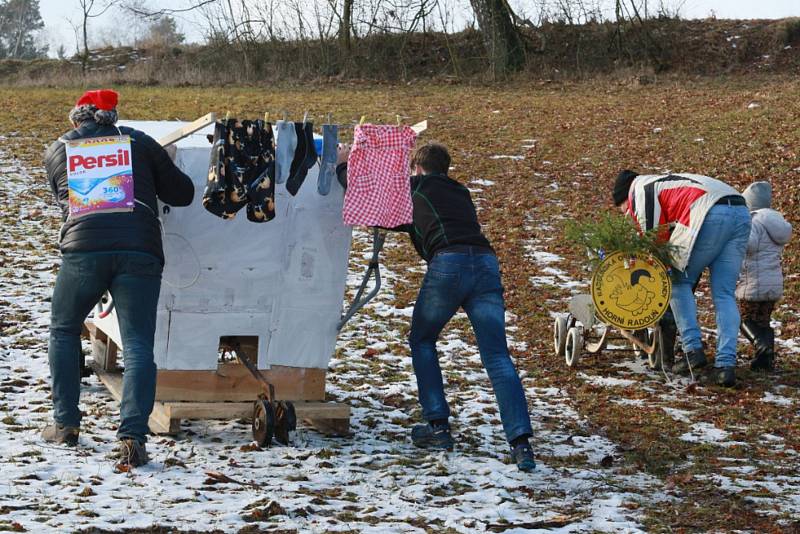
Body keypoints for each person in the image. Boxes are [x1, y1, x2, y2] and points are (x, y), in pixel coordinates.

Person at [337, 142, 535, 471]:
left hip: (449, 265)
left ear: (417, 169)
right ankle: (521, 444)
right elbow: (411, 218)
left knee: (422, 339)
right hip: (485, 264)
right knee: (497, 356)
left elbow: (367, 200)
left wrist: (343, 165)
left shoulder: (418, 187)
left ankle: (438, 427)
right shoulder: (461, 192)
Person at [42, 89, 194, 466]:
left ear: (77, 119)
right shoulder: (140, 143)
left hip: (84, 251)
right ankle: (132, 437)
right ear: (113, 117)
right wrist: (165, 163)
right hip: (139, 253)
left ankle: (65, 425)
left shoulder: (58, 150)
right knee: (138, 344)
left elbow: (66, 205)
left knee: (63, 330)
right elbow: (184, 194)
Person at [612, 171, 751, 387]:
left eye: (624, 211)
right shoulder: (662, 182)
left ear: (624, 198)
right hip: (741, 211)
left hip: (709, 212)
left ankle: (692, 351)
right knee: (724, 293)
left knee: (677, 282)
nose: (627, 216)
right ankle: (725, 365)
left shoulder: (640, 188)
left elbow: (653, 240)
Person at [736, 182, 792, 372]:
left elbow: (748, 246)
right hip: (773, 282)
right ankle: (764, 362)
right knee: (763, 321)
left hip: (754, 281)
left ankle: (761, 344)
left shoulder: (754, 221)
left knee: (742, 319)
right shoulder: (776, 221)